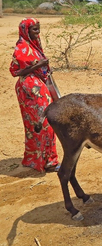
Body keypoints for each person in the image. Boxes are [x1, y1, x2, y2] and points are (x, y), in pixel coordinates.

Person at [10, 17, 60, 172]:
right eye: (34, 29)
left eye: (38, 28)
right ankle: (42, 161)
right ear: (26, 30)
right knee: (39, 124)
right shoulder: (21, 47)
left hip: (39, 87)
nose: (38, 32)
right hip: (29, 90)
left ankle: (47, 159)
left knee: (45, 122)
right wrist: (39, 65)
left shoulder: (35, 45)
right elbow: (15, 71)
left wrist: (46, 70)